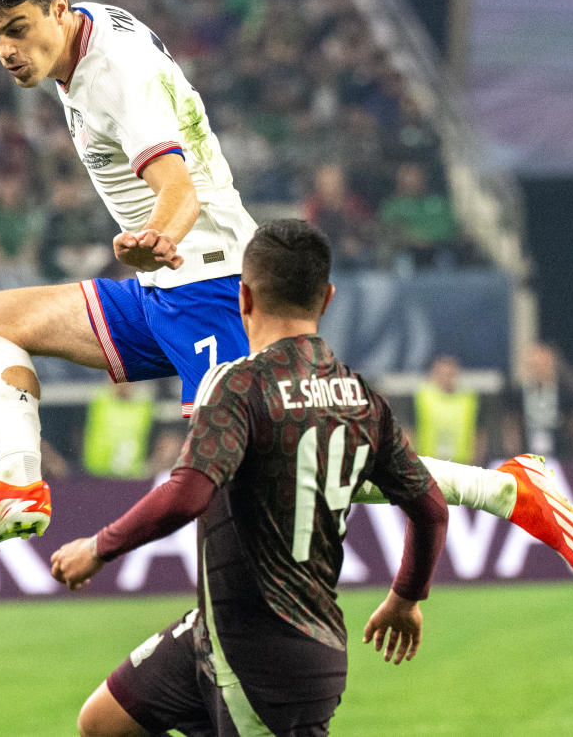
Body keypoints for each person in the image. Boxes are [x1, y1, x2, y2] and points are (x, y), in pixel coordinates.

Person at [0, 0, 573, 581]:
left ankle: (507, 489)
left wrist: (163, 235)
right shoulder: (77, 21)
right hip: (163, 290)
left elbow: (174, 185)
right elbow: (22, 10)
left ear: (55, 10)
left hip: (211, 284)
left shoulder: (119, 81)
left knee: (284, 464)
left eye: (15, 32)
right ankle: (19, 483)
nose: (5, 51)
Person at [49, 220, 448, 735]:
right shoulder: (361, 398)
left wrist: (98, 548)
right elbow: (431, 507)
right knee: (102, 724)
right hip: (221, 633)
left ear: (242, 298)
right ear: (327, 299)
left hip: (264, 664)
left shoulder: (239, 387)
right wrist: (404, 599)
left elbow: (188, 494)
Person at [412, 354, 482, 466]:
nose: (446, 378)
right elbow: (410, 433)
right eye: (442, 374)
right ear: (434, 373)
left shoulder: (469, 400)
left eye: (450, 374)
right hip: (429, 465)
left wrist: (476, 462)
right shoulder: (421, 398)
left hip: (462, 465)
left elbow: (478, 434)